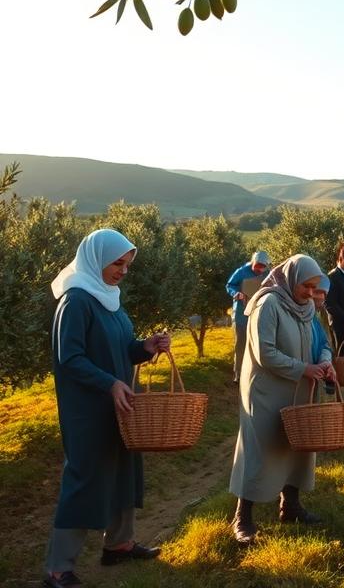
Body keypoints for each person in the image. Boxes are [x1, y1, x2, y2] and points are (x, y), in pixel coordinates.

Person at [43, 229, 172, 588]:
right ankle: (58, 568)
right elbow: (69, 358)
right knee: (85, 479)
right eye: (118, 262)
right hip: (88, 409)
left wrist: (144, 347)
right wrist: (109, 383)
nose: (123, 270)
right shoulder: (76, 301)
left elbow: (120, 347)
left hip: (120, 403)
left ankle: (119, 545)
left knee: (123, 471)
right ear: (96, 258)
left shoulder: (110, 299)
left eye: (128, 264)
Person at [229, 254, 338, 545]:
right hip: (266, 391)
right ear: (291, 279)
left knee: (296, 446)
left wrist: (324, 362)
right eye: (306, 286)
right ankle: (242, 518)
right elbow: (265, 353)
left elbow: (320, 343)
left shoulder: (304, 308)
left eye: (315, 288)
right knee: (260, 447)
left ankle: (290, 507)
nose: (311, 294)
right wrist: (305, 368)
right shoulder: (268, 304)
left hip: (299, 387)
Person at [225, 250, 270, 383]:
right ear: (253, 262)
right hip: (241, 314)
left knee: (259, 343)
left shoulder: (267, 273)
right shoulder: (242, 271)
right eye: (257, 266)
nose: (259, 269)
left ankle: (256, 374)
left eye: (263, 266)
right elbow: (229, 285)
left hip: (260, 313)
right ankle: (238, 374)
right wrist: (236, 293)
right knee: (241, 344)